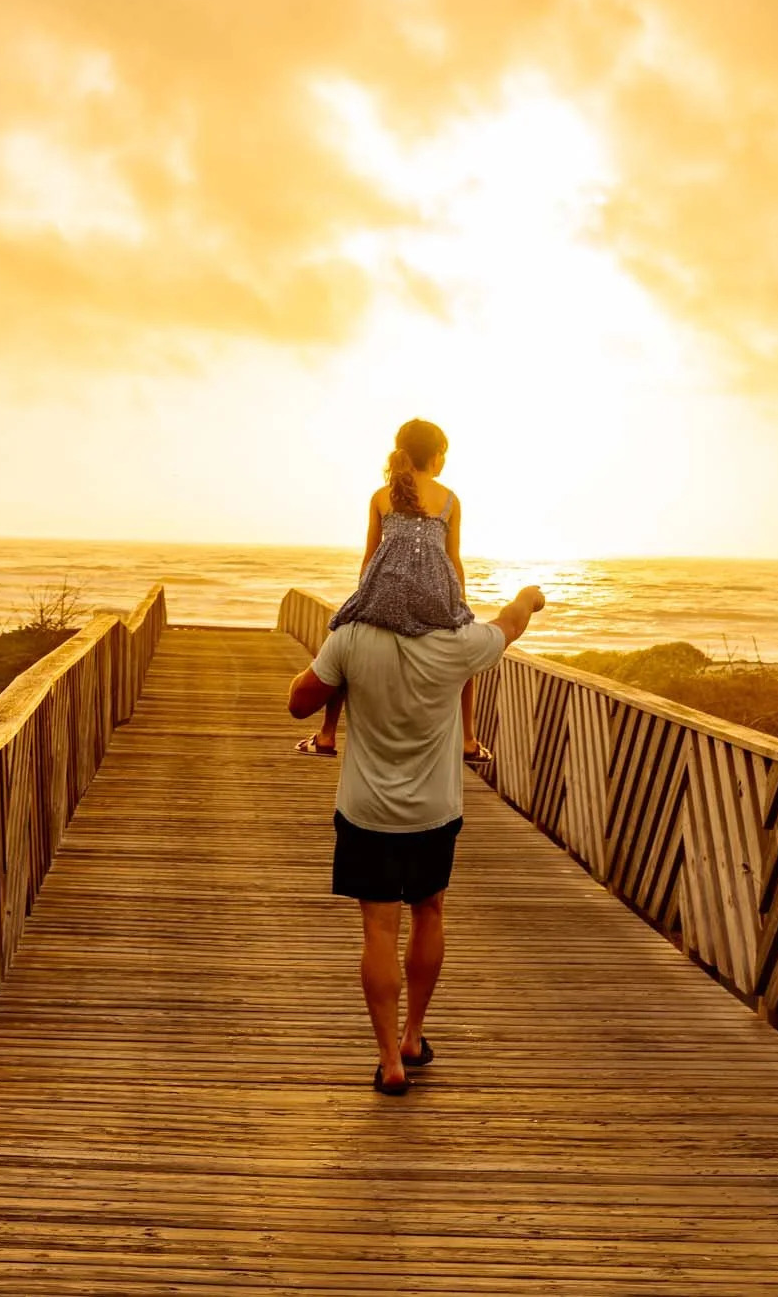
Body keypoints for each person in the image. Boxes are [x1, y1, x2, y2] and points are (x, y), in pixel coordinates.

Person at [287, 581, 548, 1095]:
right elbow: (511, 625)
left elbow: (298, 701)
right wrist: (528, 596)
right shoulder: (459, 641)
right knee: (429, 911)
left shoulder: (352, 636)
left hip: (366, 812)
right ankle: (413, 1036)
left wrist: (332, 658)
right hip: (434, 810)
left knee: (378, 931)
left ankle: (389, 1062)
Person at [297, 417, 486, 762]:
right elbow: (453, 559)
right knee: (465, 650)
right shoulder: (450, 500)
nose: (444, 461)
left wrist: (362, 600)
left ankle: (326, 735)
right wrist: (460, 604)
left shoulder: (382, 496)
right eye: (443, 454)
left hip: (385, 593)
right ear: (434, 455)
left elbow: (370, 556)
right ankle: (469, 741)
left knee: (344, 634)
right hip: (434, 596)